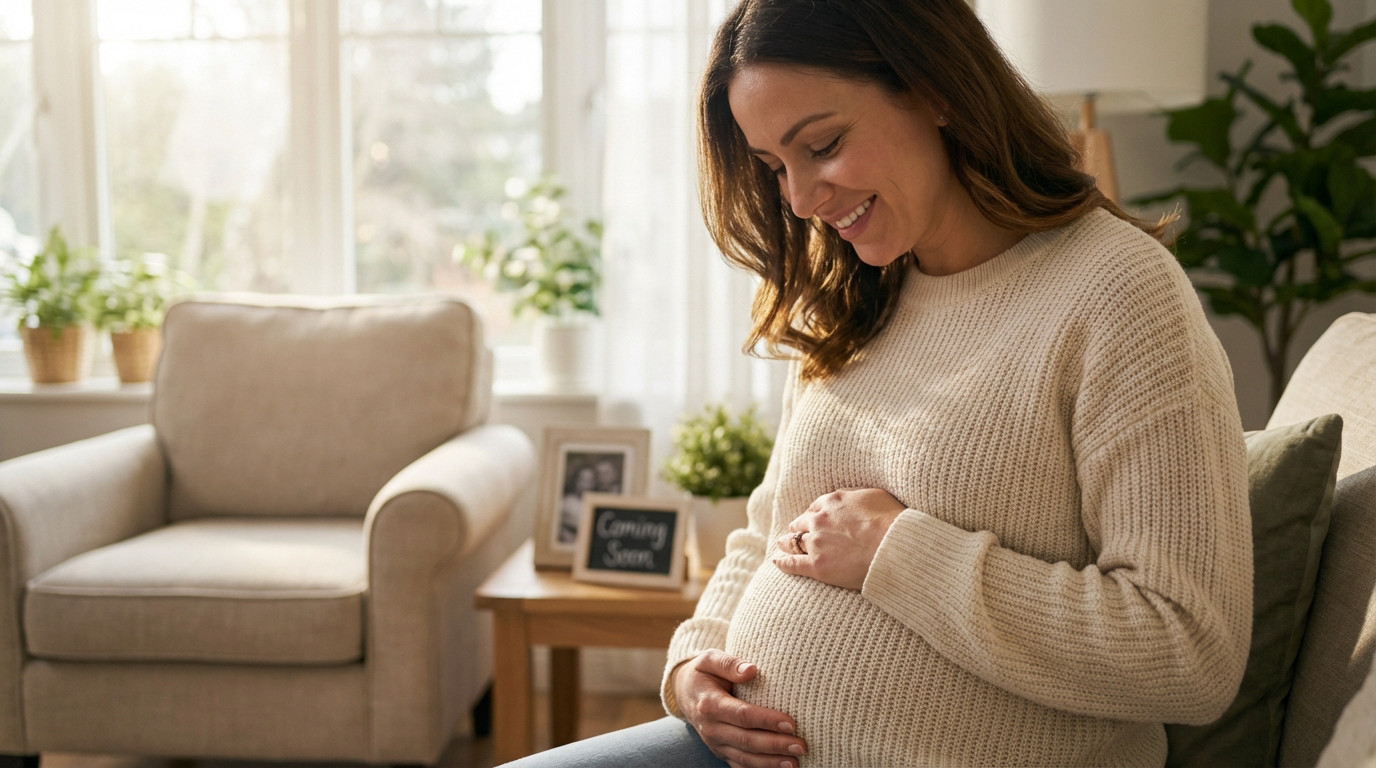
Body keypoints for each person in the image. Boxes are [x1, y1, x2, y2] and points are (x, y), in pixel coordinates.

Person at [503, 0, 1252, 765]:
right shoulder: (854, 295)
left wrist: (901, 552)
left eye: (822, 145)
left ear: (934, 87)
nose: (798, 200)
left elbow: (1189, 653)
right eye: (774, 167)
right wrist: (696, 667)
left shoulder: (1117, 293)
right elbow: (768, 530)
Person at [558, 464, 598, 544]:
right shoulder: (565, 503)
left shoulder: (598, 504)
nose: (585, 484)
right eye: (582, 480)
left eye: (589, 481)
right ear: (575, 480)